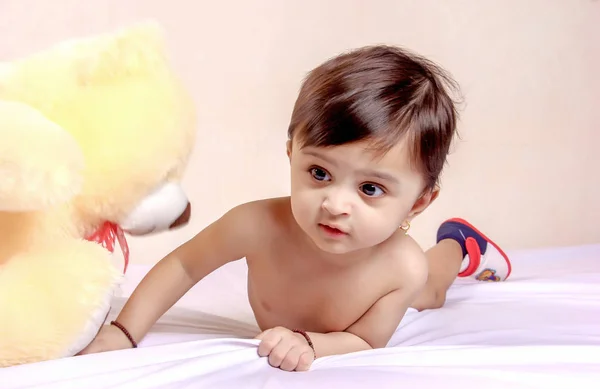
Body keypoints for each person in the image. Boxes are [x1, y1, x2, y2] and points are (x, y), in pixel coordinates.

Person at [79, 45, 512, 371]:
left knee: (432, 290)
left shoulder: (401, 269)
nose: (335, 204)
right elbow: (185, 266)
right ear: (292, 153)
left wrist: (310, 344)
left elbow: (364, 341)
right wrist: (124, 330)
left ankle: (458, 243)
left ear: (418, 202)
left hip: (404, 274)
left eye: (370, 188)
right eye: (320, 173)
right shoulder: (256, 224)